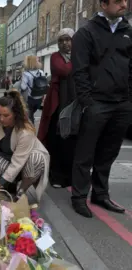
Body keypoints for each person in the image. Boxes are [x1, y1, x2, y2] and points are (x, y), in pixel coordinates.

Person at [70, 0, 131, 218]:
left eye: (125, 0)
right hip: (97, 103)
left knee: (109, 151)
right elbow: (80, 71)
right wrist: (88, 102)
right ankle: (79, 196)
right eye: (118, 1)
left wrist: (128, 98)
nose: (124, 4)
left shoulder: (128, 31)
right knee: (85, 152)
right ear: (104, 4)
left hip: (122, 103)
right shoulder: (86, 33)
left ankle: (100, 194)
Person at [0, 91, 50, 203]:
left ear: (16, 114)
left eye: (6, 115)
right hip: (9, 158)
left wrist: (0, 183)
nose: (1, 119)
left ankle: (22, 191)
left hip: (27, 161)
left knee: (35, 159)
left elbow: (18, 162)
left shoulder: (25, 131)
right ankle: (10, 186)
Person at [37, 28, 77, 188]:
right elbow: (64, 70)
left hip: (76, 103)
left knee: (72, 141)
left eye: (68, 39)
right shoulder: (55, 57)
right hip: (57, 104)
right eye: (61, 40)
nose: (64, 43)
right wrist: (78, 63)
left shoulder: (79, 55)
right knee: (56, 139)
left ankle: (71, 176)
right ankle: (57, 176)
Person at [21, 56, 47, 124]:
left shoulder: (26, 74)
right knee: (31, 114)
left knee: (30, 116)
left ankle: (31, 130)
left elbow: (23, 87)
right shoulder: (41, 72)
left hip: (31, 99)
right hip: (39, 99)